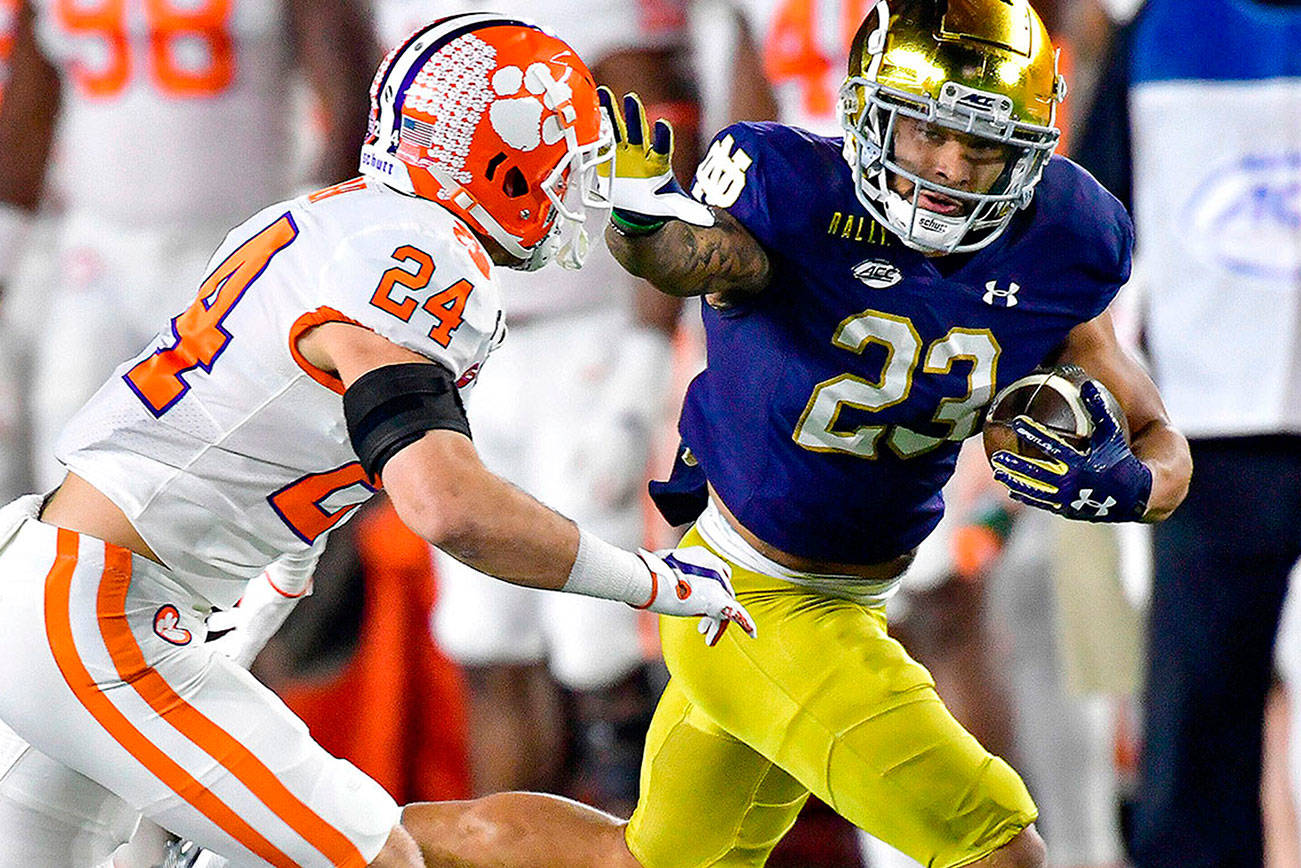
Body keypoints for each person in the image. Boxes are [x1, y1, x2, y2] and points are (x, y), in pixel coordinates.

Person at [385, 1, 1193, 866]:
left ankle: (346, 837)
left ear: (1030, 148)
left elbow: (1157, 435)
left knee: (639, 860)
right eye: (926, 133)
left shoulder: (1064, 236)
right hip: (752, 598)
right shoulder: (792, 189)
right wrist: (648, 228)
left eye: (982, 143)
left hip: (846, 597)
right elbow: (704, 256)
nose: (951, 166)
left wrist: (1135, 483)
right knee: (995, 846)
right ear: (870, 113)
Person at [0, 15, 755, 866]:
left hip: (64, 585)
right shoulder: (419, 258)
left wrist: (261, 601)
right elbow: (448, 508)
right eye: (564, 170)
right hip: (103, 617)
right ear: (501, 169)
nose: (572, 197)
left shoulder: (327, 220)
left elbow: (260, 445)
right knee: (382, 859)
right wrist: (650, 580)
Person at [373, 0, 695, 815]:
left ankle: (645, 848)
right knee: (486, 640)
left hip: (584, 338)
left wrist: (643, 362)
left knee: (601, 649)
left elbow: (662, 165)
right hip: (458, 345)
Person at [1072, 1, 1301, 865]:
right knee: (1196, 735)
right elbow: (1087, 227)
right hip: (1206, 435)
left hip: (1212, 423)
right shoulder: (1157, 29)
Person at [0, 0, 376, 491]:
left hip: (235, 254)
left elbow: (355, 100)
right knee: (68, 453)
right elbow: (30, 114)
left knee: (240, 473)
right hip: (95, 255)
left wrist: (310, 242)